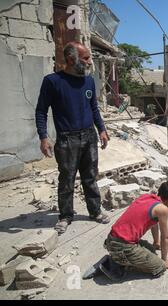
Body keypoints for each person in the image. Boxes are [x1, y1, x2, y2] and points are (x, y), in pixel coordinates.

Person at [35, 41, 110, 235]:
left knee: (90, 177)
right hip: (67, 139)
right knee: (67, 180)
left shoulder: (89, 81)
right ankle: (66, 216)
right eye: (86, 58)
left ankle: (95, 211)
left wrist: (101, 129)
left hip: (89, 136)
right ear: (71, 59)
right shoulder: (52, 81)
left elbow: (94, 107)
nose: (89, 62)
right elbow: (41, 111)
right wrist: (43, 137)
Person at [103, 180, 168, 279]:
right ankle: (116, 264)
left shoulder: (148, 197)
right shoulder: (163, 209)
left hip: (113, 238)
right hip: (122, 246)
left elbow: (153, 223)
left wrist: (156, 242)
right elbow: (166, 237)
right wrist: (164, 261)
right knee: (159, 267)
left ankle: (118, 256)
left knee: (151, 250)